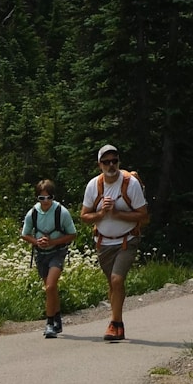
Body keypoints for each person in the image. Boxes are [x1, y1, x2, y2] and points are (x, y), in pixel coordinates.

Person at [80, 144, 148, 342]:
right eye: (106, 162)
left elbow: (143, 216)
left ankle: (114, 323)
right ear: (99, 165)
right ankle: (118, 325)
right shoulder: (94, 186)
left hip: (127, 240)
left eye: (114, 161)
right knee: (113, 284)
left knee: (117, 280)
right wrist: (101, 213)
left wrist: (117, 213)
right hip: (103, 242)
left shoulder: (130, 184)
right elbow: (84, 216)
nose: (111, 165)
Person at [21, 180, 77, 339]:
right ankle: (57, 318)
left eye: (48, 197)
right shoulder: (33, 213)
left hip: (57, 253)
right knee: (50, 288)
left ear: (53, 197)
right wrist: (37, 242)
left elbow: (72, 234)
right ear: (37, 198)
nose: (45, 201)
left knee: (50, 286)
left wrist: (52, 242)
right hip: (41, 255)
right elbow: (25, 234)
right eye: (41, 198)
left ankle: (50, 323)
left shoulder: (61, 212)